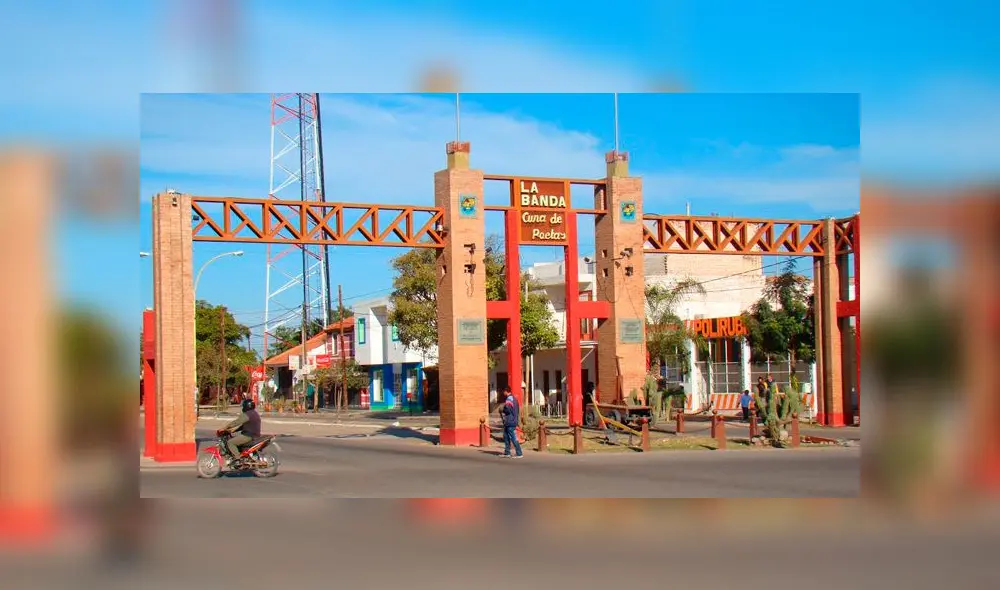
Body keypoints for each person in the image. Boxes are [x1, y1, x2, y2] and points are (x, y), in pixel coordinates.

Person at [217, 398, 261, 465]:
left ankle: (238, 458)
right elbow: (244, 426)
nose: (243, 407)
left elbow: (236, 422)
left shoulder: (247, 414)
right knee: (235, 439)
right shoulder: (253, 413)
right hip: (253, 434)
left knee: (230, 442)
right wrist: (233, 430)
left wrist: (224, 428)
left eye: (244, 406)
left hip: (248, 435)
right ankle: (241, 456)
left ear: (246, 406)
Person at [499, 386, 523, 458]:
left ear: (506, 391)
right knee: (506, 436)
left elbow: (508, 410)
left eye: (504, 391)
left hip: (510, 421)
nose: (503, 393)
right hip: (512, 420)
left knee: (513, 437)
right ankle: (507, 452)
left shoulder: (509, 399)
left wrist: (503, 410)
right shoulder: (514, 399)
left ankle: (519, 453)